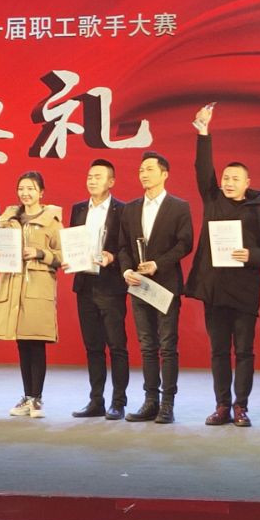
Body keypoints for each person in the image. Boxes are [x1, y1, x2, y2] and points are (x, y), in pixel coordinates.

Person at [186, 105, 260, 427]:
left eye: (235, 178)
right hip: (214, 289)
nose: (228, 182)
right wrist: (203, 133)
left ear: (247, 182)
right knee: (218, 351)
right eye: (225, 177)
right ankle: (222, 405)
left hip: (245, 290)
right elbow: (203, 169)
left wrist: (250, 255)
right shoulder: (213, 199)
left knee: (244, 351)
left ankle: (241, 406)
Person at [118, 152, 193, 424]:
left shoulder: (179, 206)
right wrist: (126, 270)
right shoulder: (131, 208)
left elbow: (185, 244)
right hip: (139, 285)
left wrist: (158, 264)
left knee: (167, 345)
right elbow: (122, 246)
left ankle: (167, 403)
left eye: (149, 169)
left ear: (164, 174)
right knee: (147, 345)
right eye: (141, 170)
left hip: (165, 285)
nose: (144, 174)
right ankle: (150, 401)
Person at [0, 171, 62, 418]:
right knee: (22, 343)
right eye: (21, 188)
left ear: (41, 192)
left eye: (31, 188)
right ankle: (27, 396)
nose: (25, 193)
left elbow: (63, 255)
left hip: (38, 287)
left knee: (36, 342)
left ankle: (37, 398)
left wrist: (40, 253)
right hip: (13, 285)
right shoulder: (8, 219)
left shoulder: (52, 221)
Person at [68, 159, 130, 420]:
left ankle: (118, 401)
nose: (92, 180)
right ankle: (96, 400)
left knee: (116, 346)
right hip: (85, 284)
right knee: (93, 346)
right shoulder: (79, 209)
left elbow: (126, 246)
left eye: (98, 177)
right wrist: (69, 258)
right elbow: (72, 241)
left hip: (111, 285)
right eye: (89, 176)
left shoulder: (122, 210)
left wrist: (112, 257)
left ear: (111, 181)